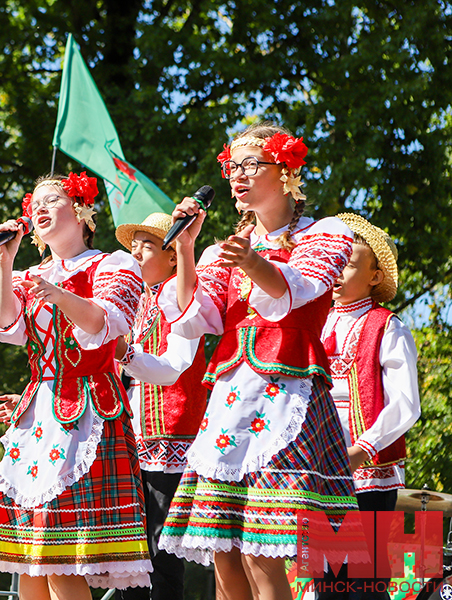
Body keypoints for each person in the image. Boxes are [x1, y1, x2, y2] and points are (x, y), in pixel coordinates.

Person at [157, 122, 360, 600]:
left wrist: (251, 262)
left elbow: (293, 292)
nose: (238, 176)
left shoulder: (326, 234)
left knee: (261, 551)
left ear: (287, 171)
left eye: (252, 165)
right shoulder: (218, 249)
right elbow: (194, 316)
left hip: (287, 395)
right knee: (222, 550)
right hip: (229, 401)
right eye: (233, 167)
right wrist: (185, 248)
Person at [0, 172, 152, 600]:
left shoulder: (112, 264)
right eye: (34, 203)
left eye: (52, 199)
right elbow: (1, 322)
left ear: (82, 210)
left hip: (89, 408)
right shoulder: (27, 274)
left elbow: (103, 324)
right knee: (30, 562)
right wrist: (4, 260)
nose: (39, 208)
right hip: (39, 415)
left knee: (61, 560)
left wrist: (59, 294)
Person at [317, 213, 420, 600]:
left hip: (368, 469)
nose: (337, 271)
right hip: (323, 469)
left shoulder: (386, 325)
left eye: (348, 263)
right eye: (334, 262)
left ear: (375, 276)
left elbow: (406, 403)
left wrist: (361, 451)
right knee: (328, 585)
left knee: (365, 585)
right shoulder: (314, 324)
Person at [113, 213, 208, 600]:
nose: (135, 251)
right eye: (133, 244)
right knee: (124, 543)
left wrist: (124, 352)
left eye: (147, 244)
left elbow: (177, 365)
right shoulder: (133, 301)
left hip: (169, 429)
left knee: (162, 545)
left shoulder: (181, 298)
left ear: (173, 257)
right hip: (126, 432)